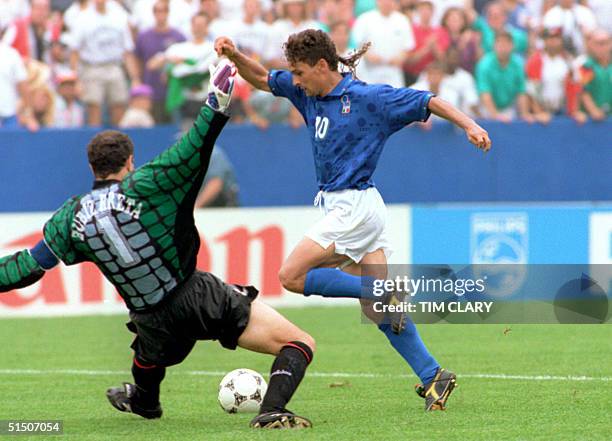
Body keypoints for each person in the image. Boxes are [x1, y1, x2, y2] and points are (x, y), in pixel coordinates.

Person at [0, 59, 315, 430]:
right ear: (130, 161)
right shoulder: (150, 182)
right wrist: (218, 98)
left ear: (92, 169)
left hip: (151, 319)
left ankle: (145, 401)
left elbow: (27, 267)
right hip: (197, 295)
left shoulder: (70, 218)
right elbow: (197, 143)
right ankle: (272, 410)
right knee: (298, 343)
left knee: (147, 357)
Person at [215, 29, 491, 411]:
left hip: (354, 207)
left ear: (322, 66)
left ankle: (377, 290)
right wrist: (234, 55)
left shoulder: (369, 98)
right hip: (355, 208)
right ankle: (433, 377)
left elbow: (430, 100)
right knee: (380, 311)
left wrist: (470, 126)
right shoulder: (305, 91)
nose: (293, 80)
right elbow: (262, 78)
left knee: (291, 276)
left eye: (298, 72)